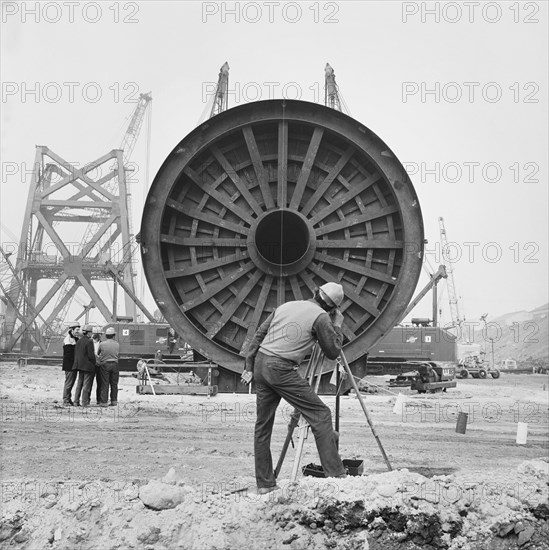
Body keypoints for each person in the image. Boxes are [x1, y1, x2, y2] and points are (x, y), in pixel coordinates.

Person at [242, 282, 347, 494]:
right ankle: (337, 476)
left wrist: (249, 367)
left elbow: (258, 337)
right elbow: (333, 351)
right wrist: (337, 326)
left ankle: (265, 484)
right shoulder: (322, 318)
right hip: (280, 368)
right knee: (321, 414)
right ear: (333, 308)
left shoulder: (286, 306)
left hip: (261, 364)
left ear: (315, 291)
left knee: (262, 427)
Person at [73, 324, 97, 407]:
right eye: (91, 332)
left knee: (79, 384)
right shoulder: (89, 341)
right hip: (87, 366)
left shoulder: (79, 341)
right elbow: (91, 355)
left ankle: (76, 401)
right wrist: (94, 362)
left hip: (80, 366)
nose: (92, 334)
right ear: (88, 333)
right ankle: (84, 402)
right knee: (86, 385)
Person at [97, 327, 120, 406]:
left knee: (105, 383)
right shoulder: (117, 344)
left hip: (105, 365)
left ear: (106, 335)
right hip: (115, 364)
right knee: (114, 384)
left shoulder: (102, 344)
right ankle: (114, 401)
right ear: (114, 335)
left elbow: (98, 353)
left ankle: (104, 402)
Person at [62, 322, 80, 406]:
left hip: (73, 365)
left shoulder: (75, 338)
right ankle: (66, 400)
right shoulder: (68, 339)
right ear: (71, 330)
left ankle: (68, 399)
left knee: (71, 383)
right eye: (77, 329)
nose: (78, 331)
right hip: (70, 366)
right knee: (69, 383)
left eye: (78, 329)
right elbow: (69, 355)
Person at [92, 327, 103, 405]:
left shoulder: (102, 344)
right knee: (88, 383)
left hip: (99, 365)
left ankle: (98, 400)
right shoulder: (89, 343)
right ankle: (86, 400)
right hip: (91, 365)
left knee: (100, 383)